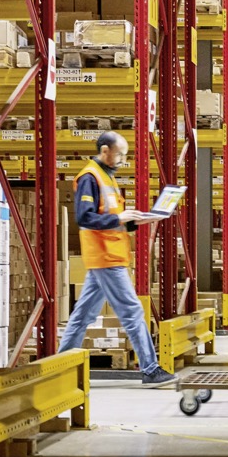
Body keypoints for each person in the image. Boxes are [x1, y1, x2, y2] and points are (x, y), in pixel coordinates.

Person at [57, 131, 175, 385]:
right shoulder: (90, 177)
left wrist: (138, 220)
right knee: (132, 311)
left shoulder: (106, 177)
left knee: (82, 316)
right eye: (120, 154)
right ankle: (150, 369)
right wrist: (119, 218)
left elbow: (111, 219)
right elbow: (85, 218)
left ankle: (59, 368)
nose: (123, 159)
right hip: (106, 257)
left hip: (108, 256)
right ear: (105, 151)